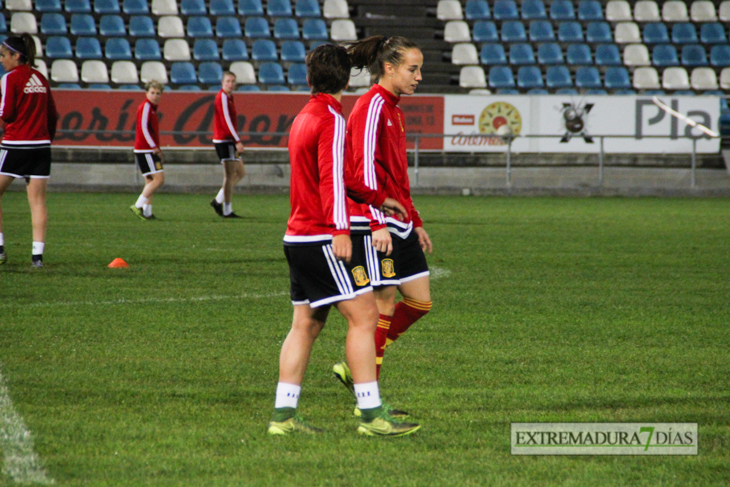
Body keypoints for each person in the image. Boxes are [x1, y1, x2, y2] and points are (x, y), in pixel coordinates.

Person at [268, 43, 418, 437]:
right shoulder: (333, 119)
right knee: (366, 315)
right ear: (347, 79)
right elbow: (332, 181)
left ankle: (282, 418)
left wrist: (376, 198)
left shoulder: (304, 116)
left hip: (296, 236)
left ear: (309, 78)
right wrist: (340, 231)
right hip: (322, 235)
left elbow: (338, 177)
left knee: (305, 323)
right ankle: (372, 416)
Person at [333, 36, 433, 418]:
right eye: (413, 68)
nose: (419, 76)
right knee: (382, 305)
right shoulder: (372, 105)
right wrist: (376, 222)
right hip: (375, 221)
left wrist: (416, 220)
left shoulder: (394, 108)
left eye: (419, 68)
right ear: (389, 68)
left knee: (420, 301)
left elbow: (396, 174)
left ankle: (356, 366)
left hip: (397, 220)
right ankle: (366, 400)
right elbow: (360, 171)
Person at [0, 34, 58, 268]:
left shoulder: (10, 78)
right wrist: (46, 139)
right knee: (38, 202)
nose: (2, 60)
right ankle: (37, 258)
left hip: (16, 145)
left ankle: (0, 249)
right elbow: (53, 115)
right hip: (41, 147)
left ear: (16, 56)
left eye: (4, 55)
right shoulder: (41, 79)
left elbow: (8, 113)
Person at [210, 71, 246, 219]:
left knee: (240, 173)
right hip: (224, 141)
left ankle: (218, 200)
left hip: (227, 140)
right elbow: (226, 121)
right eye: (228, 81)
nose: (230, 84)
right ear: (222, 83)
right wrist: (237, 140)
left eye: (232, 81)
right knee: (230, 175)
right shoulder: (223, 97)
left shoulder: (229, 97)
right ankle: (226, 209)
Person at [130, 80, 165, 220]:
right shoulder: (146, 107)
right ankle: (138, 205)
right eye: (152, 92)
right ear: (146, 93)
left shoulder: (150, 108)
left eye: (158, 93)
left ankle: (147, 212)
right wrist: (154, 147)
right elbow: (143, 128)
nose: (155, 96)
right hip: (146, 149)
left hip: (144, 149)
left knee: (150, 181)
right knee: (159, 179)